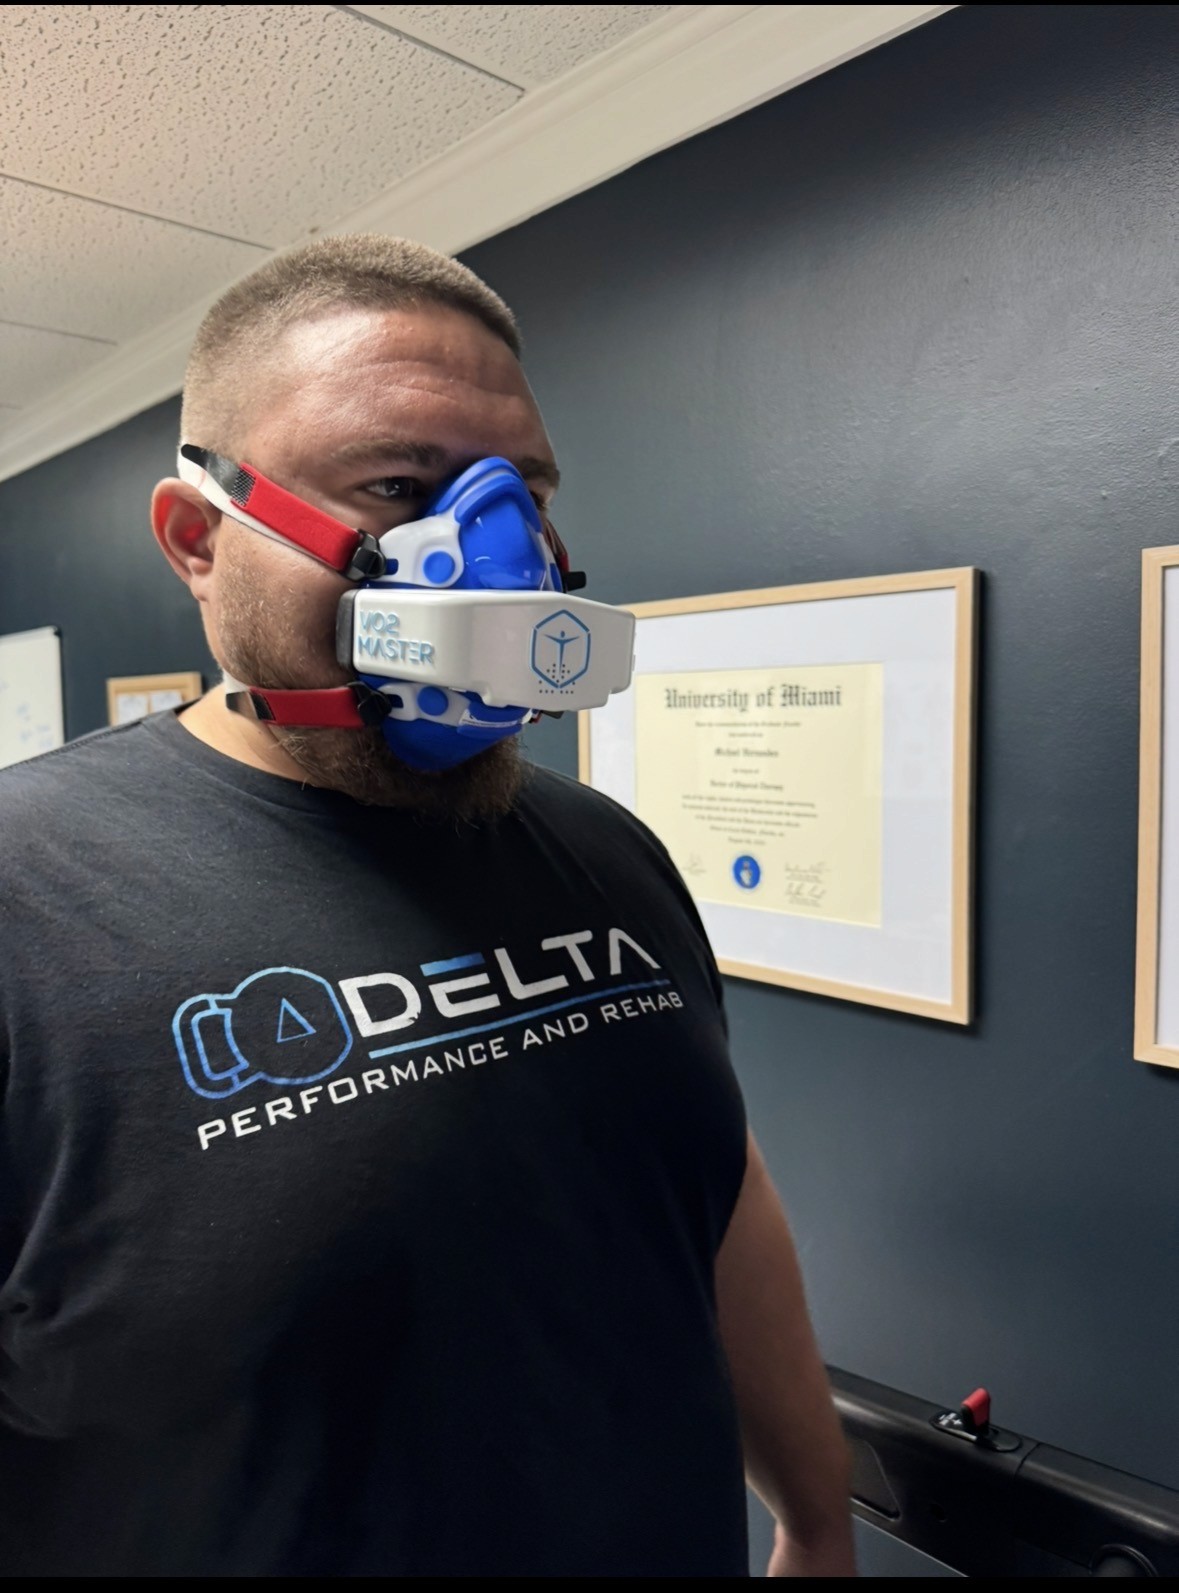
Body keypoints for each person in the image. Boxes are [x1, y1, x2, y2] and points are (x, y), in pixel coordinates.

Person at [0, 236, 854, 1577]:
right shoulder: (25, 895)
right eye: (400, 486)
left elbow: (709, 1181)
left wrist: (815, 1513)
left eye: (520, 492)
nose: (495, 557)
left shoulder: (611, 853)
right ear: (197, 539)